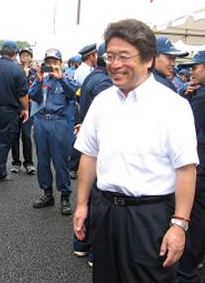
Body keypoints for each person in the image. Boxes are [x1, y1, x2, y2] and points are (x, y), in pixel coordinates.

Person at [73, 19, 198, 283]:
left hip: (150, 216)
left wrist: (179, 224)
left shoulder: (172, 106)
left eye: (124, 56)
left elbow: (186, 168)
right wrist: (82, 205)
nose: (115, 64)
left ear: (148, 59)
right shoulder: (102, 102)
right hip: (105, 211)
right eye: (110, 56)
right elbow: (89, 155)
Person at [72, 42, 112, 264]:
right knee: (98, 198)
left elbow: (78, 102)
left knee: (89, 195)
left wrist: (82, 124)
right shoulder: (105, 83)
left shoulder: (90, 76)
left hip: (89, 137)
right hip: (99, 144)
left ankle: (82, 244)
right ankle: (94, 249)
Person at [30, 49, 77, 215]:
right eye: (48, 61)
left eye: (55, 61)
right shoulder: (42, 79)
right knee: (42, 161)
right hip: (41, 121)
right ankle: (47, 193)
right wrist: (38, 79)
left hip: (59, 122)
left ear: (61, 63)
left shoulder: (68, 78)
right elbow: (33, 96)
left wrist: (61, 79)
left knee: (60, 161)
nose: (51, 65)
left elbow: (73, 94)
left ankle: (65, 196)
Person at [0, 41, 29, 181]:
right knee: (3, 141)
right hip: (9, 110)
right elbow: (23, 95)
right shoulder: (17, 70)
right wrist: (25, 109)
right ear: (14, 54)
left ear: (2, 52)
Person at [177, 50, 205, 283]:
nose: (192, 72)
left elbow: (187, 128)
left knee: (194, 220)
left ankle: (187, 273)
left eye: (196, 67)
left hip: (201, 166)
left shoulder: (202, 96)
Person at [10, 47, 37, 174]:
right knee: (14, 135)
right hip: (15, 106)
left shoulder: (35, 73)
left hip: (29, 107)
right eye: (23, 55)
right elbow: (14, 89)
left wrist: (27, 76)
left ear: (31, 57)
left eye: (28, 55)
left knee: (26, 135)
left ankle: (29, 163)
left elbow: (32, 91)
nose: (25, 58)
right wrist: (23, 75)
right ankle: (15, 162)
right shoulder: (15, 71)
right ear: (19, 57)